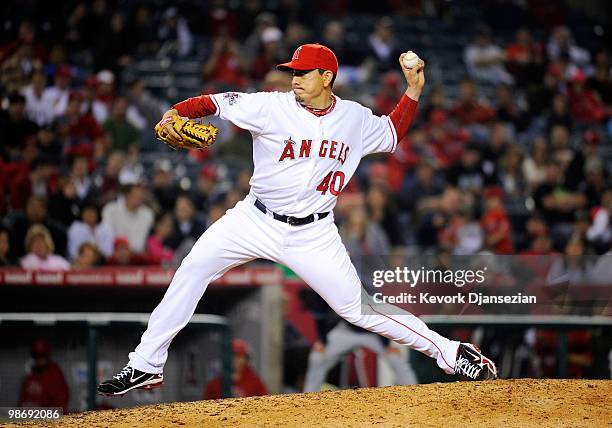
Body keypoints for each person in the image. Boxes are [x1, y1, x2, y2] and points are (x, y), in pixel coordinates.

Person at [98, 43, 497, 396]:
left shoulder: (354, 119)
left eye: (302, 73)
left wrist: (413, 90)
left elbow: (392, 132)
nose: (294, 79)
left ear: (327, 77)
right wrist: (174, 112)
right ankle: (146, 364)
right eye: (292, 72)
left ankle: (449, 351)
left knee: (359, 309)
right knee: (192, 269)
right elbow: (213, 103)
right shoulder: (269, 105)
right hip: (254, 220)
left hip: (314, 233)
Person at [202, 339, 267, 399]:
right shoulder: (215, 384)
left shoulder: (255, 383)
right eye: (232, 355)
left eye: (239, 356)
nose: (235, 359)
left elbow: (265, 405)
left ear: (246, 359)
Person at [18, 338, 69, 413]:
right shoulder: (31, 376)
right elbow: (22, 400)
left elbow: (61, 405)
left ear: (47, 355)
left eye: (42, 355)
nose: (39, 359)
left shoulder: (55, 375)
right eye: (36, 356)